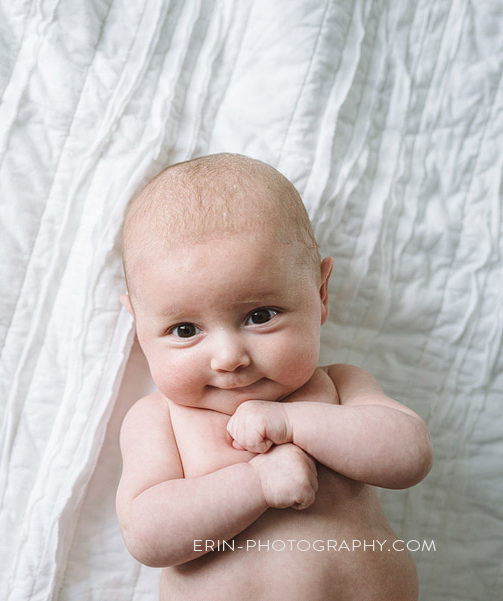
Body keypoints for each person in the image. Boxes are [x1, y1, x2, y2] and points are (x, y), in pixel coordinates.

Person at [116, 153, 433, 600]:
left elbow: (409, 455)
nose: (228, 357)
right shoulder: (159, 420)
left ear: (320, 294)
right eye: (185, 330)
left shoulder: (339, 386)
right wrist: (258, 483)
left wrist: (294, 424)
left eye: (260, 315)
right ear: (138, 325)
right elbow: (147, 535)